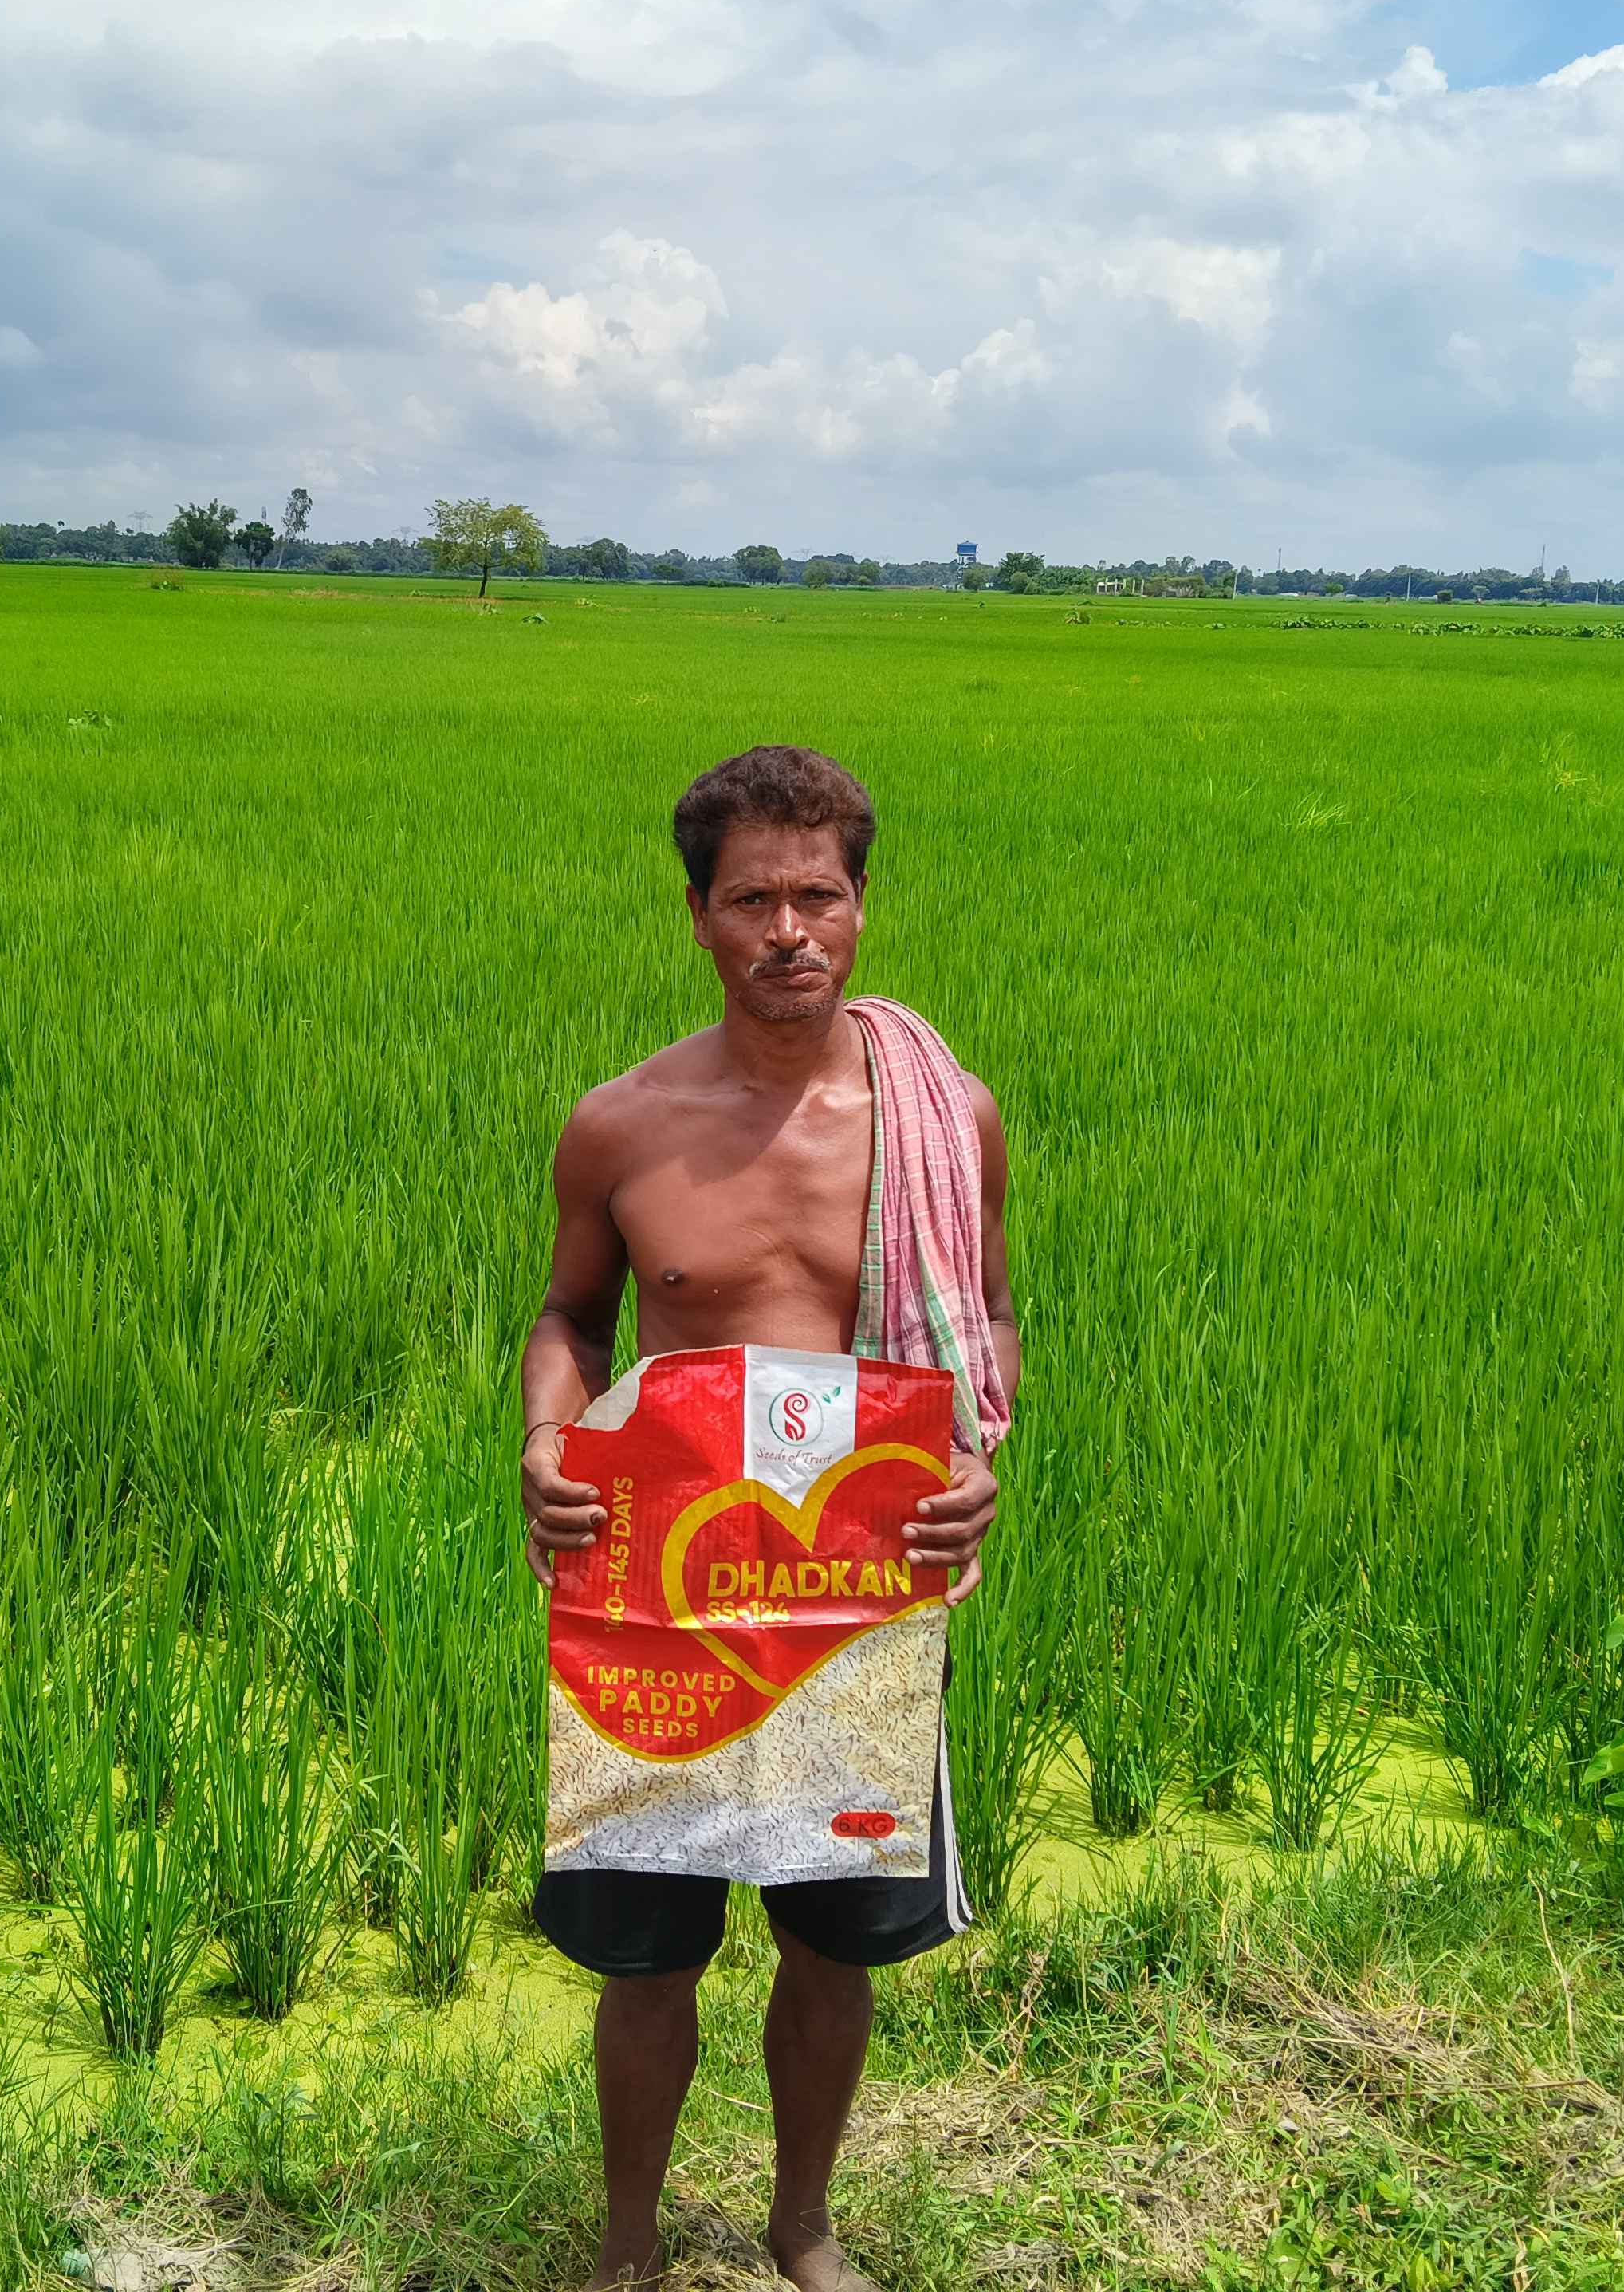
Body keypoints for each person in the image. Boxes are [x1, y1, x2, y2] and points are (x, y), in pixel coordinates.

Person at [520, 743, 1017, 2292]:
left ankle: (802, 2226)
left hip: (856, 1588)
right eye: (752, 901)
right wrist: (546, 1436)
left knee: (829, 1942)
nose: (789, 932)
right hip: (663, 1593)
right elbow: (569, 1318)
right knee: (647, 1953)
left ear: (861, 905)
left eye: (819, 895)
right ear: (698, 917)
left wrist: (977, 1452)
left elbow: (989, 1319)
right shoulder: (624, 1127)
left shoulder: (946, 1118)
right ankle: (628, 2248)